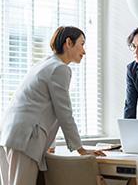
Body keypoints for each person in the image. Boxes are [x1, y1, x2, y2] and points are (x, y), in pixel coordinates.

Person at [0, 26, 105, 185]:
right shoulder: (60, 69)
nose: (84, 51)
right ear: (68, 43)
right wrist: (81, 149)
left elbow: (42, 107)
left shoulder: (45, 63)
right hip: (25, 139)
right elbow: (64, 113)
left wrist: (51, 144)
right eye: (82, 44)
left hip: (11, 136)